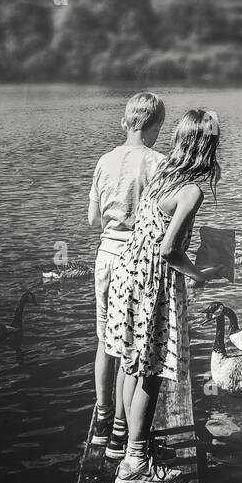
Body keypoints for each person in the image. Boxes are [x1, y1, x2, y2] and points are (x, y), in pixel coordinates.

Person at [104, 107, 221, 483]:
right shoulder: (192, 190)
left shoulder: (163, 174)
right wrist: (200, 273)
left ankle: (129, 445)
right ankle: (134, 466)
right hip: (152, 283)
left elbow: (152, 228)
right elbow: (169, 249)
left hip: (127, 274)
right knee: (151, 374)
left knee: (131, 364)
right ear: (207, 147)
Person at [88, 91, 166, 457]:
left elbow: (92, 220)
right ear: (156, 126)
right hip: (139, 262)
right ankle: (125, 433)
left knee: (106, 341)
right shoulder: (160, 163)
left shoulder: (105, 160)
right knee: (135, 349)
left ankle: (103, 421)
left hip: (106, 256)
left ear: (125, 122)